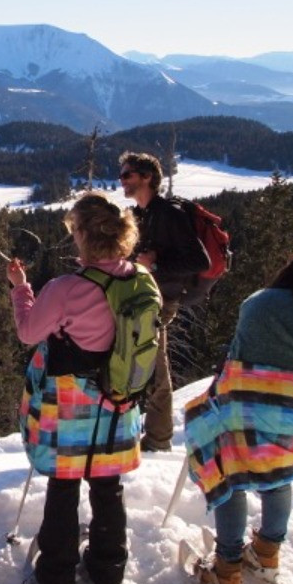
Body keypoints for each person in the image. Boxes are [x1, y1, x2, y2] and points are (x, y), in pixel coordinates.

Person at [7, 191, 152, 584]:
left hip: (73, 402)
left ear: (84, 236)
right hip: (121, 401)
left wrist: (20, 290)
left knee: (65, 486)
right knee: (109, 486)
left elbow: (29, 331)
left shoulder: (67, 289)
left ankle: (56, 580)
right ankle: (108, 575)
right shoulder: (140, 279)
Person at [184, 249, 293, 584]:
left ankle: (227, 571)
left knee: (232, 479)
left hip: (241, 405)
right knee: (278, 477)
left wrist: (214, 400)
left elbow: (234, 355)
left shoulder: (256, 302)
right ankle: (266, 554)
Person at [118, 151, 209, 452]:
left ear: (147, 177)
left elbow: (199, 260)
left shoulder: (168, 213)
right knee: (139, 364)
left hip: (161, 300)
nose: (122, 180)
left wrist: (156, 266)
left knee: (152, 367)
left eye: (128, 174)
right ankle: (146, 435)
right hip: (145, 298)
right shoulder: (144, 215)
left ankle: (157, 440)